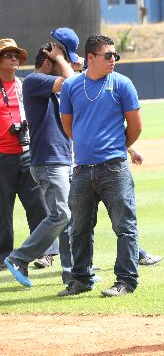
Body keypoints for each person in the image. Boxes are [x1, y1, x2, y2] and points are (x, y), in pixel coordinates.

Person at [59, 34, 142, 297]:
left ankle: (126, 281)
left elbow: (136, 126)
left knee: (124, 226)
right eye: (108, 55)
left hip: (114, 168)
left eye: (115, 55)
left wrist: (116, 147)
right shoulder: (72, 86)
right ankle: (81, 279)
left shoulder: (122, 84)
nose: (113, 60)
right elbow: (69, 126)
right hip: (82, 169)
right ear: (91, 58)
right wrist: (87, 145)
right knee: (80, 228)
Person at [3, 32, 81, 287]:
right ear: (48, 61)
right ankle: (19, 257)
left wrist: (72, 62)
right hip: (46, 160)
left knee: (67, 218)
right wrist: (61, 59)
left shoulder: (44, 83)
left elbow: (81, 84)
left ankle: (74, 273)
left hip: (58, 156)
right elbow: (74, 84)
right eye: (59, 60)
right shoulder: (36, 80)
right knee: (61, 214)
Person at [0, 38, 50, 272]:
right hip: (2, 156)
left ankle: (44, 253)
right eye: (8, 55)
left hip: (27, 153)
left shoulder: (23, 85)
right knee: (2, 209)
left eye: (15, 55)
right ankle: (4, 256)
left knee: (38, 206)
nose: (13, 58)